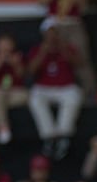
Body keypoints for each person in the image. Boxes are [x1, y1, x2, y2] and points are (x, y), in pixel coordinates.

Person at [38, 0, 96, 98]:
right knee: (53, 57)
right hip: (54, 25)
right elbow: (42, 1)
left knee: (81, 58)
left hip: (73, 24)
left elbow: (84, 4)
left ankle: (90, 94)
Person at [28, 20, 84, 160]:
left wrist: (61, 47)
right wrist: (43, 52)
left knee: (74, 96)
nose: (52, 37)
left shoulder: (67, 47)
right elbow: (31, 70)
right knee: (34, 98)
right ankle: (49, 136)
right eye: (49, 34)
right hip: (44, 88)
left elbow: (78, 64)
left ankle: (63, 135)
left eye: (55, 33)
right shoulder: (38, 49)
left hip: (65, 87)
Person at [0, 33, 28, 145]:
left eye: (7, 44)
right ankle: (3, 127)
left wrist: (14, 63)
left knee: (27, 97)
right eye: (2, 44)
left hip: (15, 92)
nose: (4, 47)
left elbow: (22, 74)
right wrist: (0, 60)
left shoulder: (19, 56)